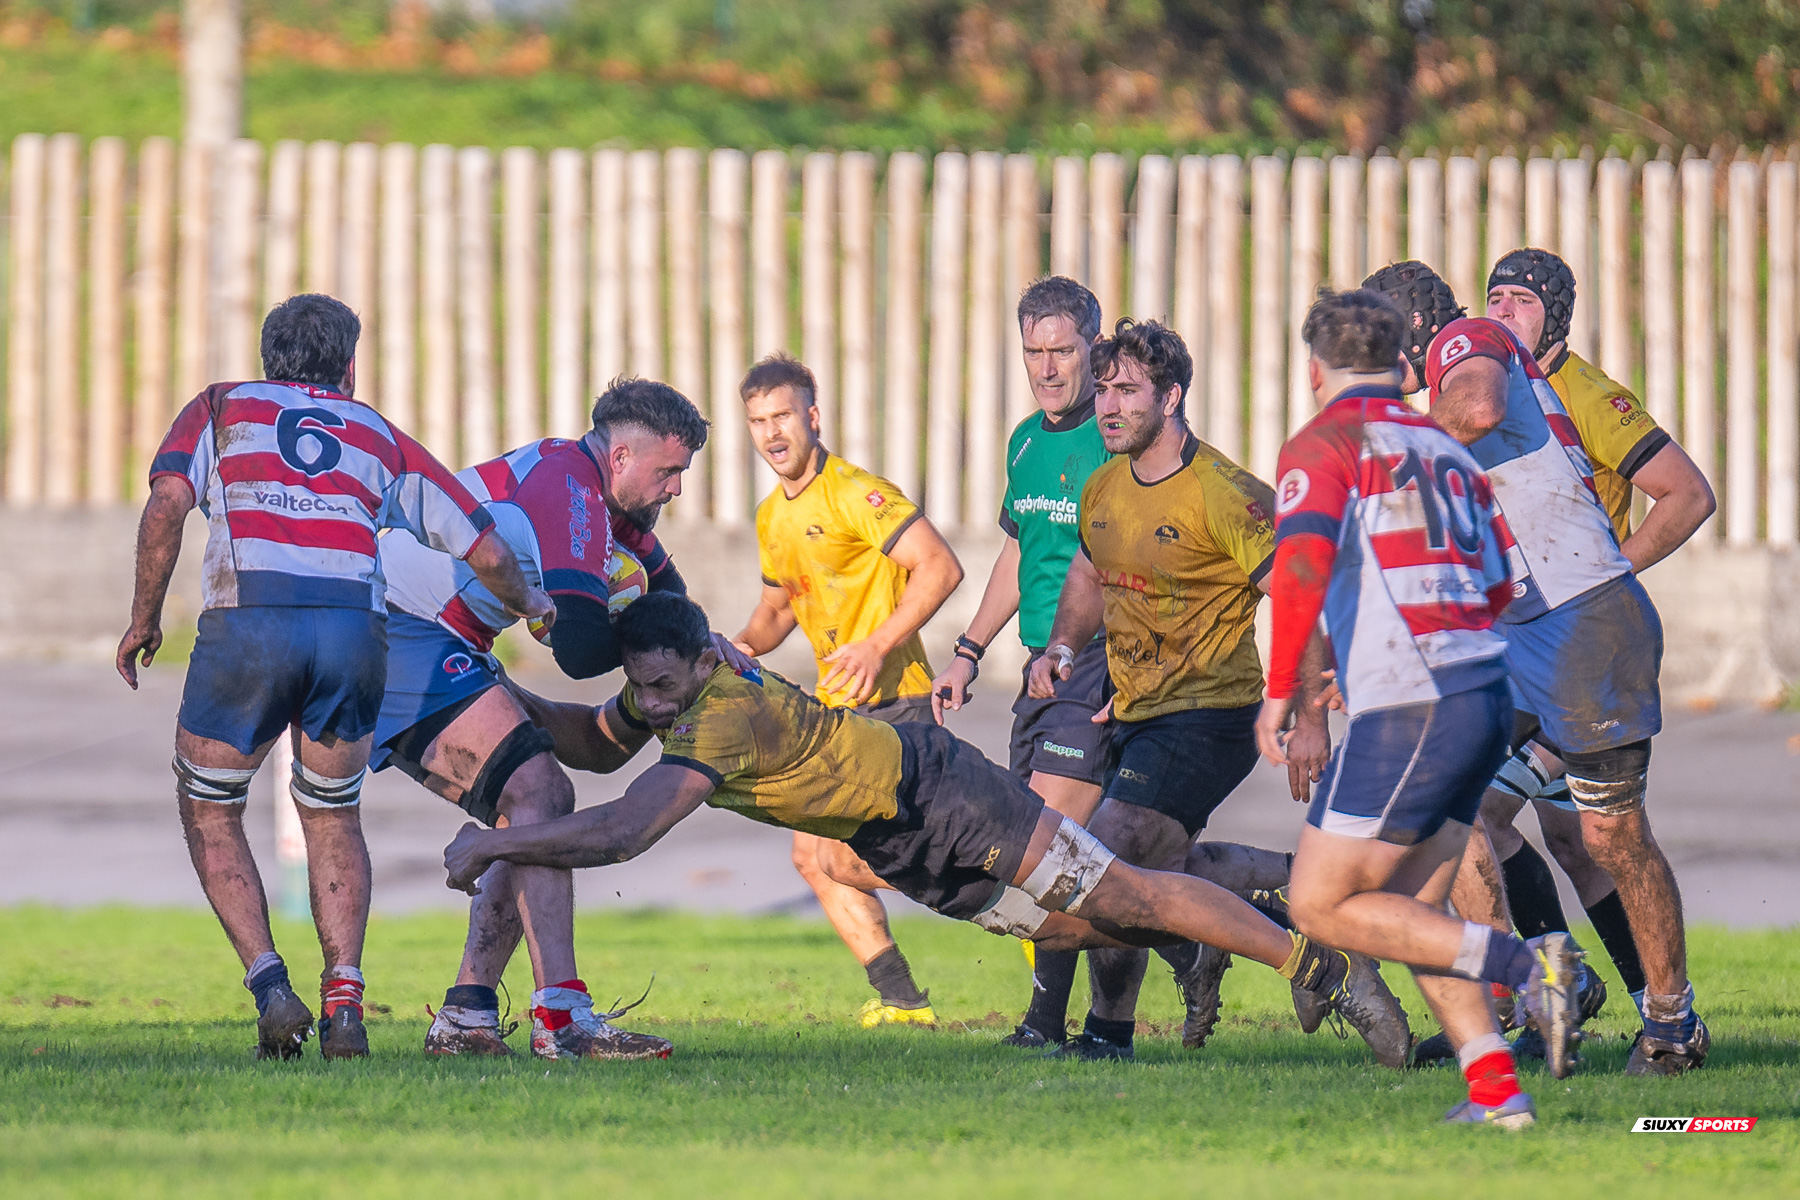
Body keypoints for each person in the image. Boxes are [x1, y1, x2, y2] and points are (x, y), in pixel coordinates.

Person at [439, 592, 1406, 1074]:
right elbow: (600, 749)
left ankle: (1320, 961)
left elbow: (623, 831)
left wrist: (492, 843)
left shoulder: (720, 713)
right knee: (1084, 926)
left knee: (1128, 893)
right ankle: (1233, 925)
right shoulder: (670, 696)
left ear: (705, 663)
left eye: (662, 687)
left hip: (940, 793)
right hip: (903, 840)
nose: (648, 705)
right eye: (637, 688)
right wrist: (507, 702)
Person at [115, 294, 553, 1061]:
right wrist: (534, 603)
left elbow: (165, 508)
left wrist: (144, 619)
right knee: (330, 813)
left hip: (250, 624)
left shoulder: (220, 407)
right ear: (349, 366)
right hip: (353, 631)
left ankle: (270, 987)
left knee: (211, 808)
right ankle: (345, 1001)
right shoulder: (377, 433)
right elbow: (480, 545)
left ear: (267, 358)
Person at [1027, 318, 1409, 1065]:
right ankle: (1292, 902)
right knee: (1149, 874)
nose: (1107, 406)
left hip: (1211, 713)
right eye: (1103, 390)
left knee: (1109, 861)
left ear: (1171, 398)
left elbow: (1302, 598)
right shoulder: (1104, 484)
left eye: (1127, 391)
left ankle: (1115, 1034)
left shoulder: (1226, 494)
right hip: (1135, 712)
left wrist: (1306, 717)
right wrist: (1064, 646)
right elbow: (1088, 574)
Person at [1366, 260, 1708, 1077]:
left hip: (1587, 622)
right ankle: (1541, 987)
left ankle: (1672, 1024)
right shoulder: (1453, 377)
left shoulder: (1469, 342)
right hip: (1517, 636)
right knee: (1451, 808)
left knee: (1608, 837)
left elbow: (1476, 408)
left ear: (1412, 326)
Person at [1256, 285, 1583, 1128]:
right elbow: (1503, 577)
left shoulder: (1323, 442)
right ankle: (1499, 1096)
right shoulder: (1443, 446)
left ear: (1315, 366)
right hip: (1483, 691)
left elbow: (1298, 570)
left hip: (1416, 702)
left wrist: (1283, 693)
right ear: (1402, 364)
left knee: (1318, 903)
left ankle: (1532, 963)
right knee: (1414, 913)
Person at [372, 377, 736, 1060]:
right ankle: (561, 1021)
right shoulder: (569, 487)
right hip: (397, 626)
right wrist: (648, 656)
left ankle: (468, 1016)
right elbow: (576, 650)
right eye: (670, 470)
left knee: (532, 804)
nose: (678, 489)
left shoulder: (607, 501)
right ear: (622, 456)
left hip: (434, 638)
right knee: (540, 791)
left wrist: (694, 645)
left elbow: (674, 599)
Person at [1475, 250, 1715, 1029]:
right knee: (1574, 842)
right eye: (1495, 297)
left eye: (1522, 300)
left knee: (1486, 815)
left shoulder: (1587, 395)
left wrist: (1611, 570)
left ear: (1558, 315)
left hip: (1577, 649)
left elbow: (1687, 494)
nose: (1504, 310)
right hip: (1523, 650)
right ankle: (1623, 997)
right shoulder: (1488, 393)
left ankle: (1576, 991)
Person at [729, 353, 964, 1028]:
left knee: (845, 854)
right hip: (839, 716)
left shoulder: (857, 493)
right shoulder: (773, 515)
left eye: (782, 416)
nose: (772, 433)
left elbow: (940, 567)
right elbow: (777, 611)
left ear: (813, 416)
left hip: (899, 706)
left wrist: (876, 644)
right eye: (758, 421)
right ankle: (903, 1001)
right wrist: (737, 647)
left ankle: (1015, 887)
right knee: (813, 856)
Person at [929, 276, 1116, 1051]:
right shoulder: (1026, 440)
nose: (1046, 368)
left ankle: (1044, 1024)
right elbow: (1019, 548)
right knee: (1074, 854)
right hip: (1041, 666)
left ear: (1092, 348)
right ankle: (1212, 930)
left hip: (1099, 662)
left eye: (1062, 351)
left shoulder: (1114, 434)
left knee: (1046, 847)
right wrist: (969, 649)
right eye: (1034, 352)